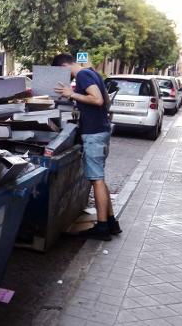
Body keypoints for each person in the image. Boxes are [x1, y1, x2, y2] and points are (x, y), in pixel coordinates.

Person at [52, 53, 121, 241]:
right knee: (99, 178)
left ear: (63, 67)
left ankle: (102, 228)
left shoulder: (82, 76)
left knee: (96, 180)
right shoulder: (93, 73)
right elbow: (105, 102)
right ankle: (111, 222)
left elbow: (98, 99)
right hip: (100, 131)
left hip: (94, 134)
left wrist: (71, 94)